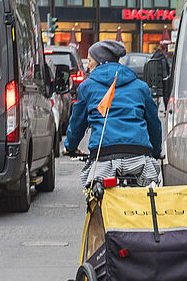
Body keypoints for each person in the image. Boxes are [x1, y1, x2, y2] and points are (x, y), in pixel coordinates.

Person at [64, 39, 164, 187]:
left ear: (100, 62)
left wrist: (71, 147)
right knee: (147, 196)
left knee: (96, 195)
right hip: (139, 157)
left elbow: (77, 123)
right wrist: (155, 151)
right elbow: (154, 124)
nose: (88, 65)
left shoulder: (87, 87)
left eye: (90, 60)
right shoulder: (141, 87)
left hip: (103, 155)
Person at [143, 40, 173, 109]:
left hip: (153, 85)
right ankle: (166, 108)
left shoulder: (152, 60)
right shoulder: (163, 59)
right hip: (162, 86)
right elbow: (166, 74)